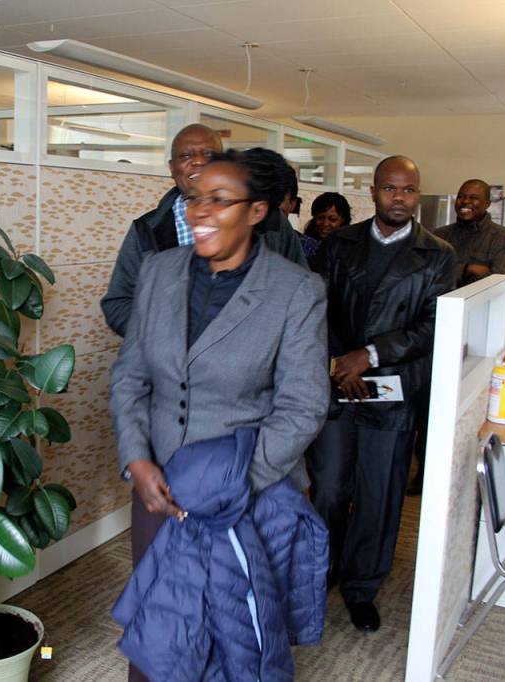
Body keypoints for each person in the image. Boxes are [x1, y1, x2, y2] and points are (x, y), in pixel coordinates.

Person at [109, 150, 330, 682]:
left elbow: (303, 407)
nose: (198, 211)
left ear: (257, 211)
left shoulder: (295, 290)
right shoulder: (160, 272)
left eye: (219, 199)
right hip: (157, 488)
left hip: (247, 493)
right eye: (192, 198)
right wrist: (136, 459)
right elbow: (130, 376)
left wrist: (225, 485)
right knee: (161, 625)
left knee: (232, 636)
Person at [308, 156, 455, 633]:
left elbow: (432, 325)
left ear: (417, 195)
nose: (399, 198)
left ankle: (361, 587)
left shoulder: (438, 254)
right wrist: (338, 361)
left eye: (409, 190)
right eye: (390, 189)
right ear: (371, 193)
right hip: (337, 385)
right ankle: (323, 570)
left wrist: (368, 355)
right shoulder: (339, 244)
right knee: (329, 487)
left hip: (394, 390)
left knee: (380, 492)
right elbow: (314, 306)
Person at [100, 125, 306, 337]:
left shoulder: (269, 220)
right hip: (171, 364)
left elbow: (299, 292)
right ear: (172, 168)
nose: (198, 161)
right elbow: (118, 303)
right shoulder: (146, 230)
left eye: (209, 154)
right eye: (186, 155)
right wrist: (165, 335)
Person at [434, 178, 505, 287]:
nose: (465, 201)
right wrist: (468, 269)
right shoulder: (440, 235)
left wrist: (450, 271)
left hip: (481, 303)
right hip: (441, 302)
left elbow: (500, 283)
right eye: (461, 197)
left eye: (473, 198)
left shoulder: (504, 237)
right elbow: (428, 274)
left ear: (487, 204)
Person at [300, 191, 352, 259]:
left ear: (343, 220)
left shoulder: (351, 251)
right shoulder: (303, 245)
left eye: (332, 219)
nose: (325, 224)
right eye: (320, 218)